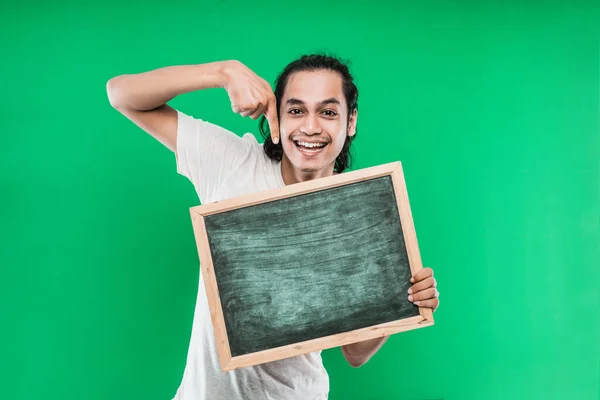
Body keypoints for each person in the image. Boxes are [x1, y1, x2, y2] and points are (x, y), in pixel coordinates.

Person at [107, 54, 440, 400]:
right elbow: (121, 94)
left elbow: (355, 354)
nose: (310, 127)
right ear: (276, 116)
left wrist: (403, 302)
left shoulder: (360, 211)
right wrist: (224, 72)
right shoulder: (231, 163)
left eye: (328, 112)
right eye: (296, 110)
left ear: (351, 121)